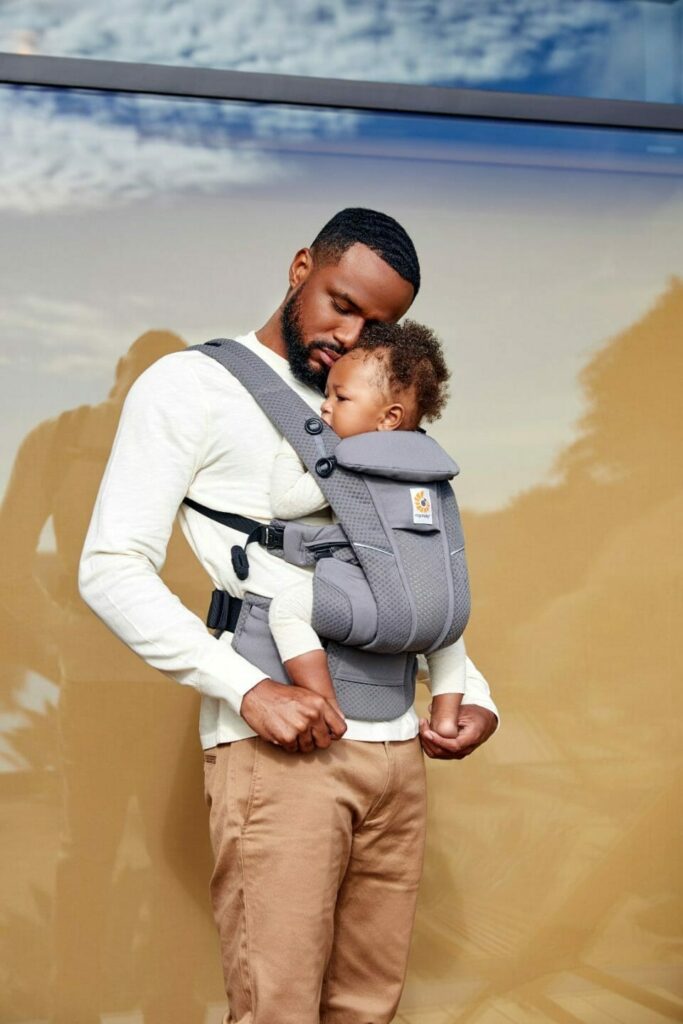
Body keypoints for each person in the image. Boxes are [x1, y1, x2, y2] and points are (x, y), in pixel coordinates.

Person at [79, 207, 499, 1024]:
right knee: (279, 1009)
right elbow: (110, 565)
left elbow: (406, 570)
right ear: (301, 266)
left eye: (379, 323)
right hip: (283, 750)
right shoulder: (192, 386)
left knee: (369, 1006)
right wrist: (247, 689)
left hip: (396, 749)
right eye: (342, 304)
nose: (352, 336)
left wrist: (471, 692)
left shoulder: (380, 406)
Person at [268, 317, 467, 739]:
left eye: (340, 397)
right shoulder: (432, 471)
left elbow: (286, 503)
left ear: (389, 417)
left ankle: (324, 703)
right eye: (326, 395)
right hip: (430, 601)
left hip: (374, 602)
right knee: (446, 638)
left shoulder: (351, 463)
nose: (325, 407)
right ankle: (447, 717)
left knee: (286, 610)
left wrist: (293, 447)